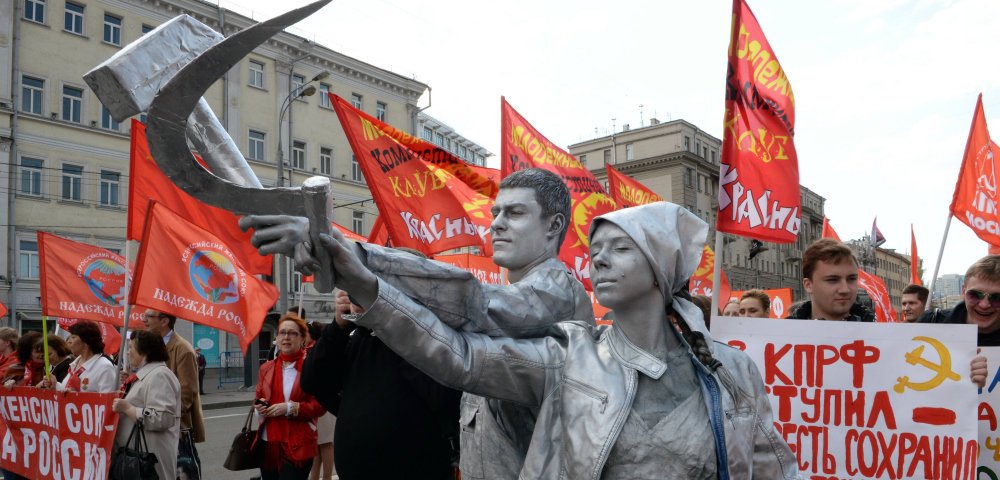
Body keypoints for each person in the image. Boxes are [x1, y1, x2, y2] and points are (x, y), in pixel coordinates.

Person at [314, 202, 800, 479]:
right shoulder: (569, 357)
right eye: (596, 251)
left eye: (620, 248)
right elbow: (457, 356)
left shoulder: (729, 372)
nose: (599, 261)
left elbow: (772, 468)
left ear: (661, 267)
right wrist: (363, 282)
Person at [255, 168, 594, 480]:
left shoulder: (556, 293)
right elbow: (322, 383)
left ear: (554, 225)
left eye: (515, 212)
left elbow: (471, 319)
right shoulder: (521, 296)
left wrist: (358, 261)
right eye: (495, 213)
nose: (496, 224)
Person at [254, 314, 325, 480]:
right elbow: (258, 396)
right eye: (282, 332)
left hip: (298, 444)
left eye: (292, 333)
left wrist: (289, 407)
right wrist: (260, 406)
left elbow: (320, 406)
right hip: (269, 443)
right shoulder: (266, 368)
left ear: (303, 338)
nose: (286, 337)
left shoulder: (311, 367)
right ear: (277, 338)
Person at [112, 329, 181, 480]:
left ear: (144, 351)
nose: (128, 352)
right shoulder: (148, 375)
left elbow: (163, 417)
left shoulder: (160, 375)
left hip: (149, 461)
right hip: (138, 458)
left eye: (131, 347)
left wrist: (129, 409)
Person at [142, 310, 205, 476]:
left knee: (183, 471)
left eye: (149, 317)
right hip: (156, 421)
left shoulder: (183, 349)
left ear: (164, 322)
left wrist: (168, 418)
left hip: (176, 426)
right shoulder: (153, 346)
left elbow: (187, 392)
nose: (144, 320)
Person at [787, 239, 875, 321]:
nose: (845, 289)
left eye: (851, 279)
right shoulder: (781, 335)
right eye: (832, 280)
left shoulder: (880, 333)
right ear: (808, 285)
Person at [40, 321, 116, 392]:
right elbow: (65, 390)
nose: (69, 341)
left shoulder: (104, 366)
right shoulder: (74, 364)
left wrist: (76, 396)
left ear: (86, 341)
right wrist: (55, 384)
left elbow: (107, 400)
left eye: (73, 337)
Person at [304, 321, 335, 480]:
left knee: (326, 442)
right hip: (312, 401)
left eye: (304, 332)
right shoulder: (307, 350)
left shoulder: (317, 349)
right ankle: (314, 476)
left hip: (323, 400)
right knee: (316, 443)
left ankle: (327, 476)